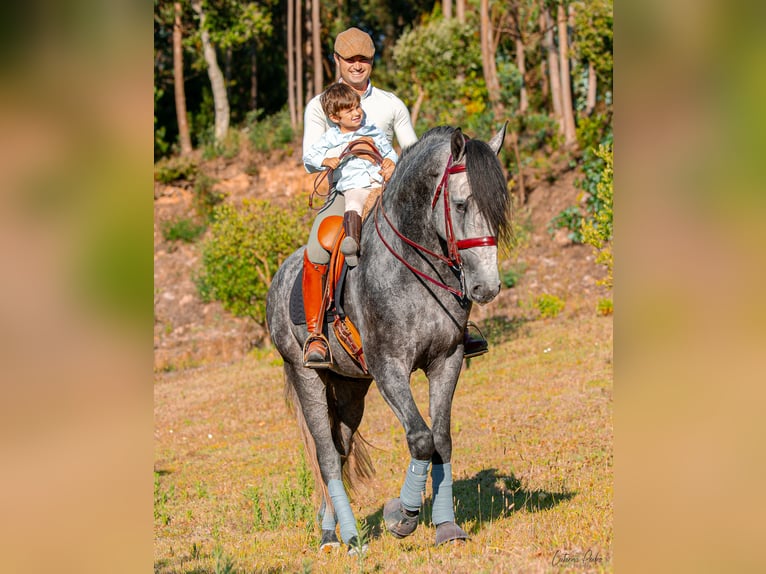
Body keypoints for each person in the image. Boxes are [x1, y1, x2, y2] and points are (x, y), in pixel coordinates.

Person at [300, 26, 487, 368]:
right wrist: (330, 162)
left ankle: (459, 327)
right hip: (347, 192)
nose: (357, 65)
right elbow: (309, 154)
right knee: (318, 246)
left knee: (446, 233)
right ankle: (316, 334)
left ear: (372, 61)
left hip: (392, 192)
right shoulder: (320, 105)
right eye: (349, 59)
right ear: (336, 61)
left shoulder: (391, 103)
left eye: (364, 59)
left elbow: (412, 153)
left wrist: (392, 165)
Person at [303, 83, 397, 267]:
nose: (356, 113)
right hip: (355, 185)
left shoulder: (372, 131)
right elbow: (309, 156)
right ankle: (352, 242)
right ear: (334, 117)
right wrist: (325, 160)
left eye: (357, 107)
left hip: (379, 182)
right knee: (354, 204)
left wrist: (391, 162)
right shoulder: (332, 137)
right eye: (349, 111)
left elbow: (389, 151)